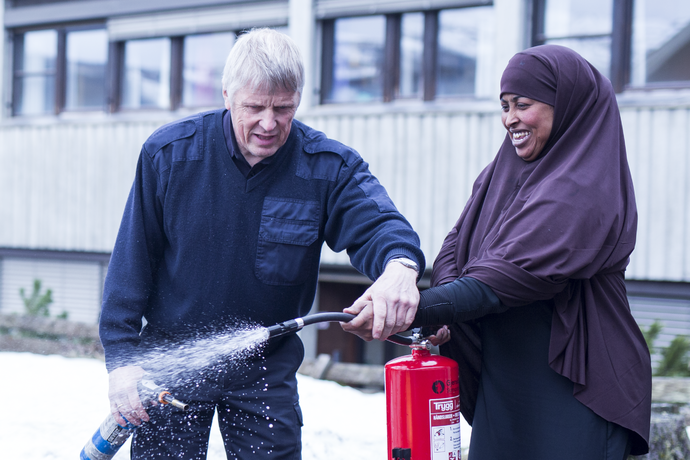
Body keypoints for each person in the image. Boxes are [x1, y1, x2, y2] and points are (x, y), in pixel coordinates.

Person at [99, 28, 424, 459]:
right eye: (254, 107)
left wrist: (400, 268)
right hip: (170, 360)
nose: (269, 123)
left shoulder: (327, 167)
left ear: (298, 100)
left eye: (283, 108)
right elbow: (131, 263)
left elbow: (381, 225)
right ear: (227, 95)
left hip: (265, 368)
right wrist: (122, 361)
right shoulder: (169, 154)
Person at [346, 45, 652, 459]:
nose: (510, 119)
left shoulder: (584, 188)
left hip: (576, 391)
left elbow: (506, 276)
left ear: (567, 107)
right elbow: (458, 249)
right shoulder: (502, 174)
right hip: (505, 386)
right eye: (505, 105)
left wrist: (421, 309)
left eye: (523, 104)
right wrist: (433, 311)